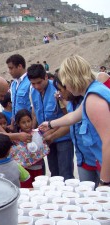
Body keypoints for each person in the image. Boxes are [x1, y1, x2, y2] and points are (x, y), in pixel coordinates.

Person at [39, 55, 110, 186]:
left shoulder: (93, 99)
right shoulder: (92, 92)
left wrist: (104, 181)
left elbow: (108, 142)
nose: (65, 87)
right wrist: (49, 124)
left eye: (64, 83)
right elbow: (74, 116)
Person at [28, 64, 74, 180]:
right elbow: (35, 113)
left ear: (46, 77)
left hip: (63, 138)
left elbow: (68, 117)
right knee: (54, 174)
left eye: (39, 82)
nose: (36, 86)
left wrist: (53, 133)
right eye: (33, 84)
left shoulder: (58, 91)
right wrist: (32, 132)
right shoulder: (33, 92)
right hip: (47, 140)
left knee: (65, 174)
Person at [53, 76, 99, 187]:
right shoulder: (72, 103)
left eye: (61, 89)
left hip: (98, 159)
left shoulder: (90, 101)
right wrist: (61, 100)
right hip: (83, 160)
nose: (59, 93)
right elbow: (69, 114)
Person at [13, 109, 45, 188]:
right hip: (24, 170)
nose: (27, 124)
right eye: (23, 122)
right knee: (26, 190)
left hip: (38, 167)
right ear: (18, 124)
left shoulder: (37, 133)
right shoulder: (16, 137)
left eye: (28, 121)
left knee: (39, 189)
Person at [6, 54, 32, 119]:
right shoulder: (13, 84)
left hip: (28, 124)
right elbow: (14, 106)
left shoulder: (31, 82)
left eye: (11, 68)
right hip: (17, 124)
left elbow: (34, 107)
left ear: (19, 66)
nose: (9, 72)